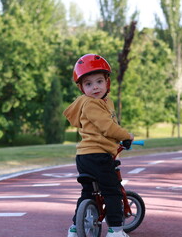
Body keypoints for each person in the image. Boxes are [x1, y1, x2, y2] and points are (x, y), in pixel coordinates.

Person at [63, 54, 134, 237]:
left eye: (99, 81)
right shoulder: (91, 104)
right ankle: (116, 230)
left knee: (88, 193)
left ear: (107, 82)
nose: (95, 87)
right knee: (112, 191)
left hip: (84, 157)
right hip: (98, 156)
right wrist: (126, 136)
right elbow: (107, 127)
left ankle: (74, 229)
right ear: (81, 87)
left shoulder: (101, 102)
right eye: (88, 84)